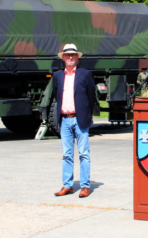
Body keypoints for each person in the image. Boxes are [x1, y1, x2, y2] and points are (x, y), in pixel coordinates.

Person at [53, 43, 96, 198]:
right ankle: (67, 185)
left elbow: (92, 97)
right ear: (63, 58)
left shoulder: (85, 74)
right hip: (65, 119)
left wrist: (86, 114)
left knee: (84, 153)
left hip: (80, 119)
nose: (70, 57)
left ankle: (85, 186)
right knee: (67, 154)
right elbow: (56, 96)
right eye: (67, 55)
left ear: (77, 57)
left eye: (73, 55)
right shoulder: (57, 76)